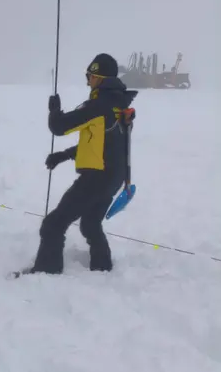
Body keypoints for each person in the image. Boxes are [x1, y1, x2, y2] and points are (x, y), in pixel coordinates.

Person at [23, 53, 137, 276]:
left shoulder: (98, 106)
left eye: (90, 76)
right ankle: (102, 267)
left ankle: (46, 272)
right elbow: (102, 146)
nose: (88, 81)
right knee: (90, 224)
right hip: (113, 178)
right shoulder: (118, 106)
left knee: (53, 225)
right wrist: (63, 156)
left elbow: (59, 127)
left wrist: (54, 110)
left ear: (100, 78)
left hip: (96, 179)